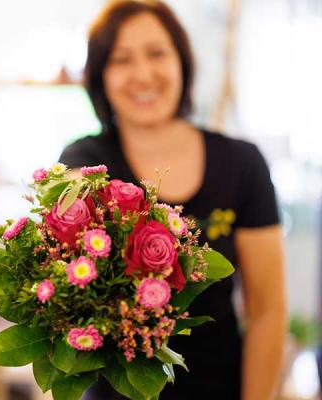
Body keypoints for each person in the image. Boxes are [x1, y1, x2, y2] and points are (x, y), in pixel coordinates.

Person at [58, 1, 287, 399]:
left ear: (182, 61)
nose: (143, 74)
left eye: (157, 53)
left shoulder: (242, 164)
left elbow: (266, 311)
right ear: (101, 77)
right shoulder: (85, 164)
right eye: (121, 59)